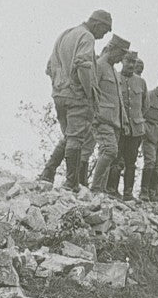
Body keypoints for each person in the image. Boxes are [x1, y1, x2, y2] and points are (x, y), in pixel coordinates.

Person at [40, 10, 113, 190]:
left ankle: (48, 173)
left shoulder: (66, 34)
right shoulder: (87, 37)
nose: (103, 36)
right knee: (76, 139)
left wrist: (59, 85)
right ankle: (71, 183)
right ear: (97, 24)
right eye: (104, 31)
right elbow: (83, 66)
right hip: (77, 96)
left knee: (69, 135)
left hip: (59, 94)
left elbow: (49, 67)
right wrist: (89, 94)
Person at [87, 35, 132, 195]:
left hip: (115, 121)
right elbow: (91, 92)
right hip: (102, 119)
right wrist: (95, 115)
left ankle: (101, 191)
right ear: (112, 49)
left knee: (109, 155)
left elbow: (118, 98)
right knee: (110, 151)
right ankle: (96, 189)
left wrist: (125, 119)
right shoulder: (98, 65)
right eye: (120, 55)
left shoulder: (113, 70)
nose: (121, 60)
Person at [106, 52, 147, 199]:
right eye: (128, 61)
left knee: (131, 162)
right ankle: (112, 190)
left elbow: (145, 106)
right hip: (119, 127)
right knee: (116, 160)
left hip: (135, 130)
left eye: (133, 62)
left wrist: (136, 120)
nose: (131, 65)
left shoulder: (141, 82)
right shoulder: (115, 77)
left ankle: (128, 193)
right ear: (122, 60)